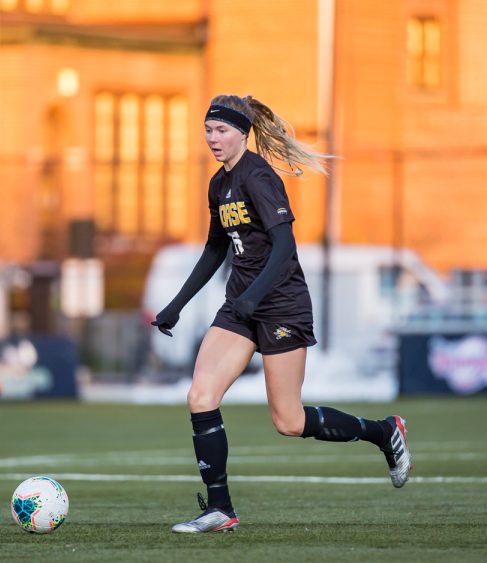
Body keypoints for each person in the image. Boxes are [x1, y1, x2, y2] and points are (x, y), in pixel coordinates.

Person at [152, 95, 413, 534]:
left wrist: (254, 297)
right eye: (208, 130)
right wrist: (176, 305)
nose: (213, 139)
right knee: (200, 397)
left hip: (281, 304)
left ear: (242, 133)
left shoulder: (259, 176)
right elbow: (216, 248)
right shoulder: (219, 184)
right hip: (242, 306)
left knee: (288, 421)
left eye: (221, 131)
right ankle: (220, 509)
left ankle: (384, 432)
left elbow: (285, 247)